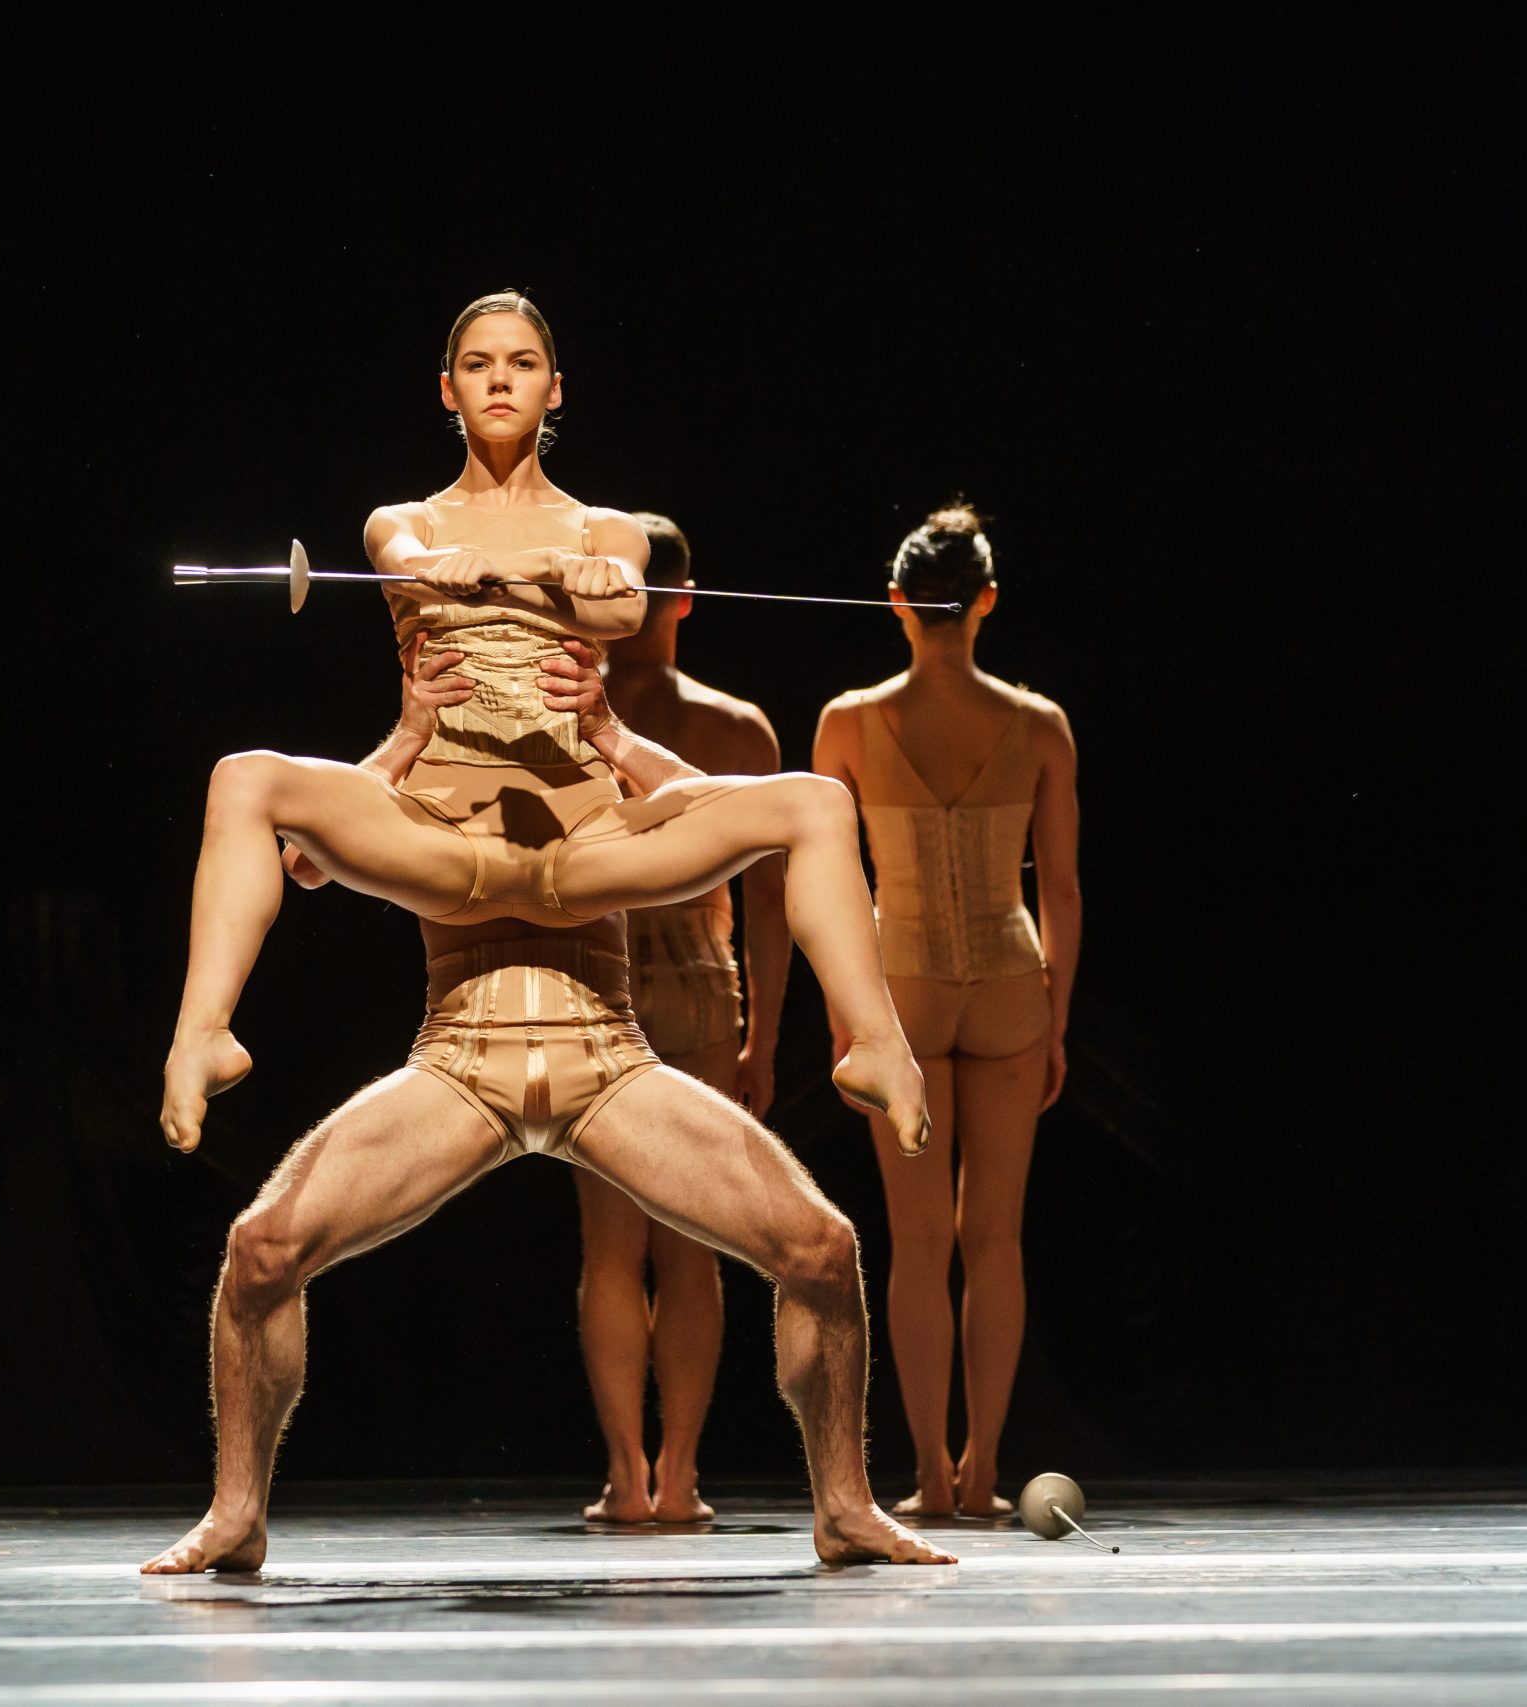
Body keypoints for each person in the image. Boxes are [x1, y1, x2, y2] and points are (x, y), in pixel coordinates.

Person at [140, 292, 947, 1571]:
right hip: (457, 954)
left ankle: (872, 1065)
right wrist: (442, 625)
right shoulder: (400, 524)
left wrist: (594, 589)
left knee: (821, 1231)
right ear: (446, 389)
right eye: (478, 365)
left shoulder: (604, 530)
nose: (502, 381)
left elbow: (619, 606)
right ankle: (235, 1502)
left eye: (523, 364)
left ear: (556, 388)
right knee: (261, 1242)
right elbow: (405, 562)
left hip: (591, 966)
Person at [813, 503, 1080, 1519]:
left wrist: (846, 1016)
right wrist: (1056, 1017)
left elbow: (831, 882)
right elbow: (1063, 890)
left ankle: (929, 1474)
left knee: (918, 1241)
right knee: (994, 1240)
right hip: (1011, 983)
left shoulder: (847, 722)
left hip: (903, 988)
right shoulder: (1040, 724)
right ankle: (980, 1471)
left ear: (896, 601)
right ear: (986, 601)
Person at [574, 510, 790, 1525]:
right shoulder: (738, 728)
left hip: (600, 985)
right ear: (688, 598)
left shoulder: (569, 712)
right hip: (702, 985)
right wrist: (764, 1038)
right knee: (689, 1247)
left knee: (611, 1249)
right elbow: (772, 905)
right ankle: (682, 1475)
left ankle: (629, 1476)